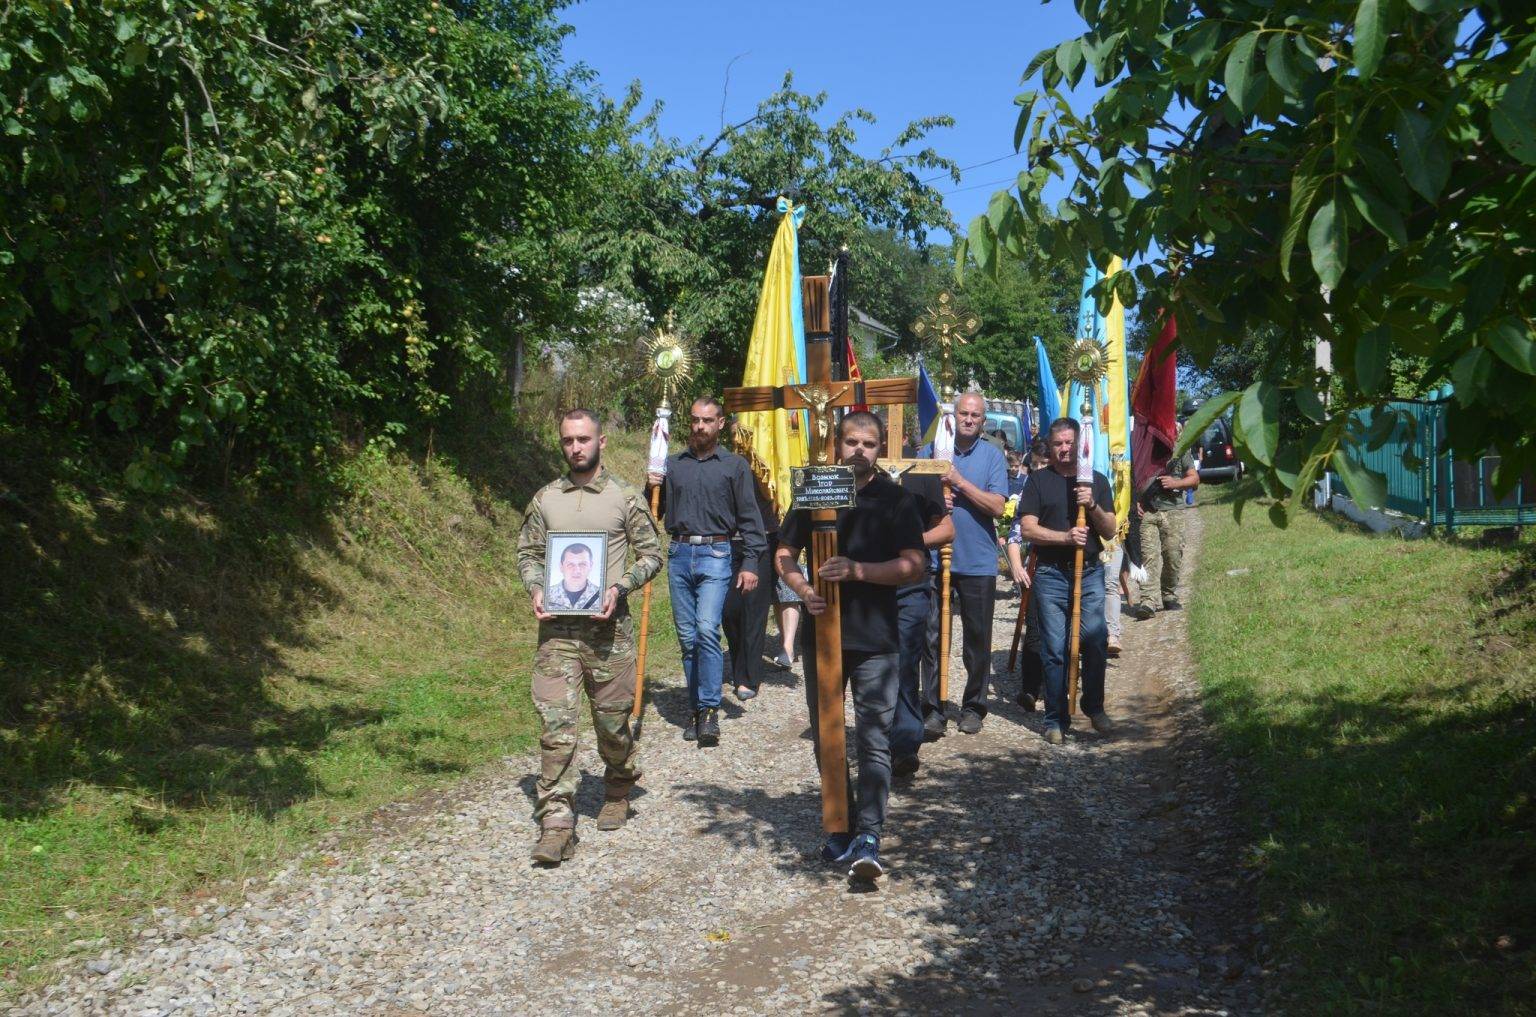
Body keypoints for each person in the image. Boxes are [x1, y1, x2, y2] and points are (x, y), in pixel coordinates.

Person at [777, 411, 925, 881]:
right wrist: (803, 591)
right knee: (827, 733)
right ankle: (839, 822)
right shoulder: (813, 490)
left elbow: (915, 565)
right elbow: (784, 553)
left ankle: (870, 834)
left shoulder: (896, 500)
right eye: (852, 442)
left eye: (869, 443)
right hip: (823, 636)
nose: (859, 450)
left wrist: (860, 571)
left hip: (875, 638)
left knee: (874, 737)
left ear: (880, 448)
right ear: (837, 444)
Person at [516, 408, 663, 865]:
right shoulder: (546, 498)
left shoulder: (625, 497)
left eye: (583, 439)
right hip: (557, 633)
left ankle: (618, 785)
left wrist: (621, 587)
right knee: (556, 726)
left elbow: (652, 554)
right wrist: (535, 586)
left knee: (612, 724)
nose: (575, 447)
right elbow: (528, 553)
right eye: (568, 440)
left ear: (601, 442)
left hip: (608, 632)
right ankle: (557, 824)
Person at [648, 397, 765, 746]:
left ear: (720, 423)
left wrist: (751, 562)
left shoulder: (734, 466)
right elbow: (655, 511)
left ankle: (711, 709)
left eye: (708, 421)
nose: (700, 426)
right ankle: (696, 708)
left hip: (717, 553)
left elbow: (750, 517)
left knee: (705, 629)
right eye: (696, 420)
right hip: (679, 553)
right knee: (687, 638)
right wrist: (651, 484)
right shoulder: (673, 465)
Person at [1016, 417, 1118, 744]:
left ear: (1080, 444)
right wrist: (1065, 537)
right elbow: (1028, 528)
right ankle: (1055, 717)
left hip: (1088, 571)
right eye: (1058, 443)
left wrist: (1092, 505)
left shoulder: (1095, 480)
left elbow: (1110, 530)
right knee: (1054, 648)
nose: (1064, 449)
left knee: (1096, 639)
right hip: (1051, 574)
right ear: (1050, 445)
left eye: (1070, 443)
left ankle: (1094, 706)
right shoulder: (1038, 481)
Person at [923, 391, 1008, 738]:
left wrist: (959, 483)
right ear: (952, 415)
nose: (969, 419)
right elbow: (910, 498)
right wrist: (933, 495)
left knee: (977, 640)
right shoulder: (929, 453)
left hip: (977, 562)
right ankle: (933, 707)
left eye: (975, 415)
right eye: (963, 413)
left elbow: (997, 506)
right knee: (931, 638)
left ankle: (973, 707)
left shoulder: (993, 456)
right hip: (933, 560)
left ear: (983, 421)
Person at [890, 467, 954, 778]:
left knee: (905, 663)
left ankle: (904, 745)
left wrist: (908, 543)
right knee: (872, 667)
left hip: (911, 583)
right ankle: (876, 739)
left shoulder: (922, 472)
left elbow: (945, 530)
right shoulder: (855, 472)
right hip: (864, 582)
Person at [1130, 423, 1199, 620]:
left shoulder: (1180, 451)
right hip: (1147, 512)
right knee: (1148, 557)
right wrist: (1134, 502)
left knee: (1173, 555)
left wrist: (1176, 483)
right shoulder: (1142, 451)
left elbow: (1194, 479)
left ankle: (1168, 594)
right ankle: (1148, 601)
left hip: (1173, 510)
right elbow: (1130, 478)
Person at [722, 476, 778, 701]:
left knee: (753, 610)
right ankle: (739, 663)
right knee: (729, 610)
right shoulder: (722, 461)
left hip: (763, 537)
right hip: (725, 539)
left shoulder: (765, 461)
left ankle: (747, 675)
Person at [1004, 437, 1050, 712]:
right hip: (1034, 566)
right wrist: (1016, 567)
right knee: (1033, 628)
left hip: (1063, 566)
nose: (1039, 468)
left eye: (1045, 463)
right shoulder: (1025, 491)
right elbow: (1014, 534)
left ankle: (1059, 683)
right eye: (1035, 464)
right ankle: (1030, 688)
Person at [544, 542, 603, 612]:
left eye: (582, 564)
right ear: (561, 567)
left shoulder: (602, 596)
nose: (576, 571)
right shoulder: (545, 595)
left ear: (591, 566)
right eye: (570, 565)